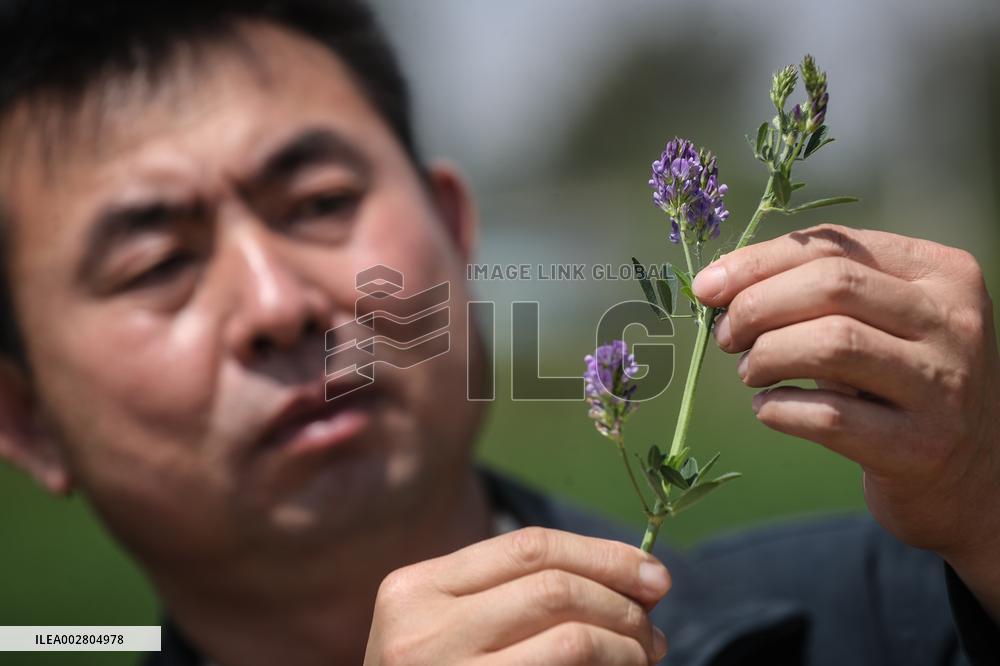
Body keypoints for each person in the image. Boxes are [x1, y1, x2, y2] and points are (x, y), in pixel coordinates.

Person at [0, 1, 996, 664]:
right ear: (28, 417)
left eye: (315, 200)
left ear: (457, 233)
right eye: (156, 263)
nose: (277, 302)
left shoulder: (884, 616)